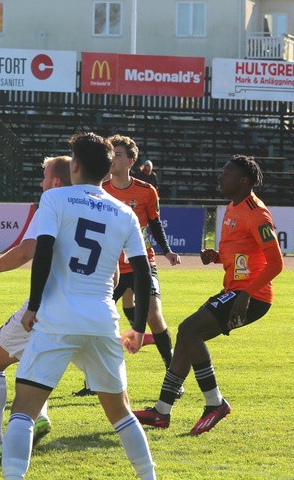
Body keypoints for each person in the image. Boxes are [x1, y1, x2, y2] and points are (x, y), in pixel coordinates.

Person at [2, 132, 155, 480]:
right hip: (102, 320)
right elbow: (142, 272)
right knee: (122, 414)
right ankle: (149, 477)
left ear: (77, 166)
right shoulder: (124, 212)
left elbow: (43, 253)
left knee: (23, 412)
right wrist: (139, 327)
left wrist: (33, 307)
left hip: (57, 319)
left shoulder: (56, 199)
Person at [134, 155, 284, 435]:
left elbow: (276, 263)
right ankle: (161, 411)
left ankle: (215, 402)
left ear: (243, 180)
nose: (220, 177)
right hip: (237, 290)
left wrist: (246, 294)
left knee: (190, 329)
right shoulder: (232, 207)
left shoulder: (257, 213)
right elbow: (242, 252)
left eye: (226, 173)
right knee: (187, 337)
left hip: (252, 296)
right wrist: (216, 257)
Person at [0, 155, 71, 454]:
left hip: (47, 302)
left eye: (45, 176)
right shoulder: (98, 205)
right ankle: (41, 416)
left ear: (56, 182)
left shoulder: (52, 202)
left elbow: (26, 251)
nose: (41, 182)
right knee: (35, 361)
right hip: (87, 308)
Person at [81, 135, 180, 396]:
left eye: (119, 153)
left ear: (131, 161)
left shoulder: (147, 191)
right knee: (95, 320)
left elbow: (155, 223)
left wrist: (167, 251)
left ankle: (174, 376)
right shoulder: (99, 189)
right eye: (111, 152)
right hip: (108, 268)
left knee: (153, 315)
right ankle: (92, 383)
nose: (112, 156)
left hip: (142, 265)